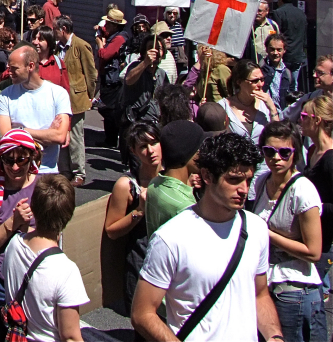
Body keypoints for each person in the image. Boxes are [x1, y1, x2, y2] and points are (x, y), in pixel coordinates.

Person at [132, 133, 284, 342]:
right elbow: (143, 313)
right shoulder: (171, 238)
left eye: (248, 180)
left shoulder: (256, 228)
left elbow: (260, 294)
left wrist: (275, 336)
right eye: (233, 179)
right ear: (207, 176)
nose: (244, 189)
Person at [251, 121, 326, 342]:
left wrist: (266, 234)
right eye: (269, 151)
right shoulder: (262, 182)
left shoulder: (303, 190)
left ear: (295, 154)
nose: (276, 158)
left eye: (284, 152)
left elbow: (314, 252)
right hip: (267, 286)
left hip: (295, 290)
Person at [3, 175, 89, 342]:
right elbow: (70, 336)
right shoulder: (66, 271)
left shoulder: (14, 244)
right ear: (69, 214)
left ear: (33, 208)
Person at [0, 130, 40, 323]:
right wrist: (13, 222)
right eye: (8, 160)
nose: (15, 166)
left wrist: (26, 228)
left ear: (31, 158)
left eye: (21, 160)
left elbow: (53, 235)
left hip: (32, 276)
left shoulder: (43, 187)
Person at [105, 122, 162, 313]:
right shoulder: (127, 185)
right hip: (141, 261)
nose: (150, 151)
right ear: (134, 151)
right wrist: (139, 210)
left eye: (154, 143)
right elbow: (111, 231)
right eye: (143, 147)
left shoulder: (174, 175)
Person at [0, 46, 71, 175]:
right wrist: (48, 133)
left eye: (14, 68)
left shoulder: (59, 94)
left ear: (30, 66)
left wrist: (21, 131)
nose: (9, 72)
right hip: (16, 172)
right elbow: (6, 137)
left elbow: (60, 136)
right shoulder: (5, 95)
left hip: (47, 171)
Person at [54, 16, 97, 187]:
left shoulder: (80, 45)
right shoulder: (57, 48)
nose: (54, 33)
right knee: (62, 134)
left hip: (76, 98)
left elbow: (91, 73)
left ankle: (79, 172)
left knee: (76, 136)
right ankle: (64, 170)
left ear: (63, 29)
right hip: (61, 99)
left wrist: (89, 95)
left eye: (56, 29)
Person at [299, 96, 333, 300]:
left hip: (325, 240)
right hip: (312, 232)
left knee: (314, 296)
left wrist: (316, 207)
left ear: (317, 120)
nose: (300, 121)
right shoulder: (313, 151)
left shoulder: (330, 159)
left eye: (304, 116)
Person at [145, 120, 205, 236]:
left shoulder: (155, 183)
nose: (203, 154)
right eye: (200, 149)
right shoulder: (185, 207)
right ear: (188, 153)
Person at [219, 60, 279, 151]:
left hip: (263, 163)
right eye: (255, 81)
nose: (260, 84)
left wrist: (272, 109)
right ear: (239, 82)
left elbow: (278, 135)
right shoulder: (224, 106)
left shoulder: (265, 104)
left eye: (262, 79)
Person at [95, 9, 130, 149]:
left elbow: (105, 55)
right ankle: (110, 137)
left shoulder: (119, 39)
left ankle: (112, 139)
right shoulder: (115, 35)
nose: (106, 26)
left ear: (115, 26)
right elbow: (102, 30)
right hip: (108, 77)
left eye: (108, 24)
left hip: (113, 80)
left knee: (107, 108)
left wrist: (99, 43)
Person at [274, 0, 308, 90]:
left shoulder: (278, 13)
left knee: (281, 83)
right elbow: (304, 35)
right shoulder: (301, 13)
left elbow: (277, 35)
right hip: (297, 54)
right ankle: (293, 103)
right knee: (294, 83)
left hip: (284, 55)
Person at [283, 56, 333, 122]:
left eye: (320, 73)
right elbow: (285, 116)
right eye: (315, 71)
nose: (314, 75)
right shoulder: (311, 97)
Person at [261, 34, 291, 113]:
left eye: (279, 50)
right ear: (266, 49)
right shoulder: (260, 68)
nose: (275, 53)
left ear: (284, 51)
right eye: (272, 49)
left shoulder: (287, 73)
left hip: (280, 114)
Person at [246, 0, 279, 65]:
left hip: (269, 61)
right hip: (254, 61)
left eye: (260, 11)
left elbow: (278, 42)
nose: (257, 13)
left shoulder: (273, 25)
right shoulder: (250, 27)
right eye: (255, 10)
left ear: (267, 11)